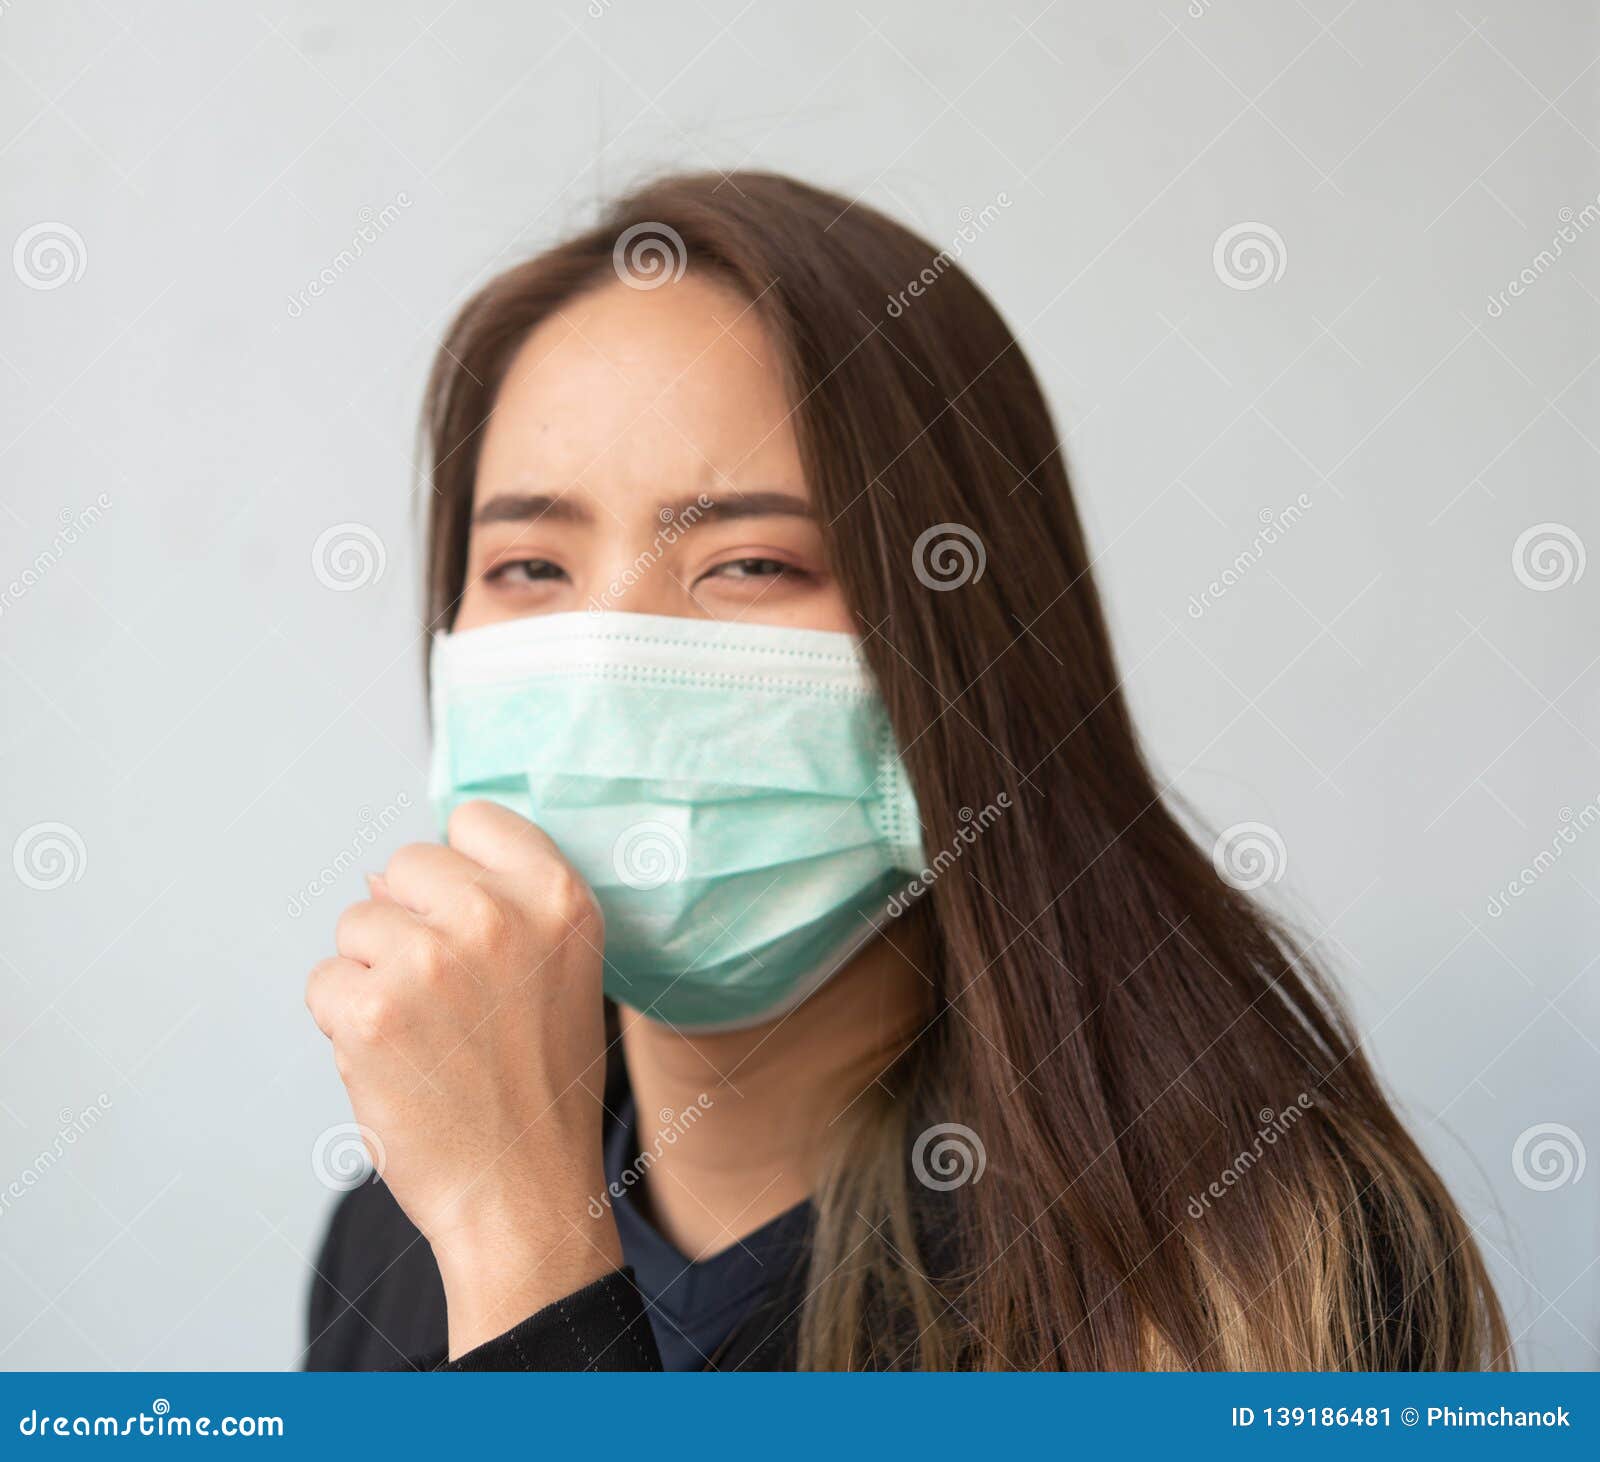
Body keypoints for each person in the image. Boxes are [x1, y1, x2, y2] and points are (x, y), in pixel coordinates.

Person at [303, 171, 1507, 1371]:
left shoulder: (1260, 1266)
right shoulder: (396, 1236)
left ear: (967, 629)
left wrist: (524, 1252)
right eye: (528, 567)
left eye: (752, 563)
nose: (608, 652)